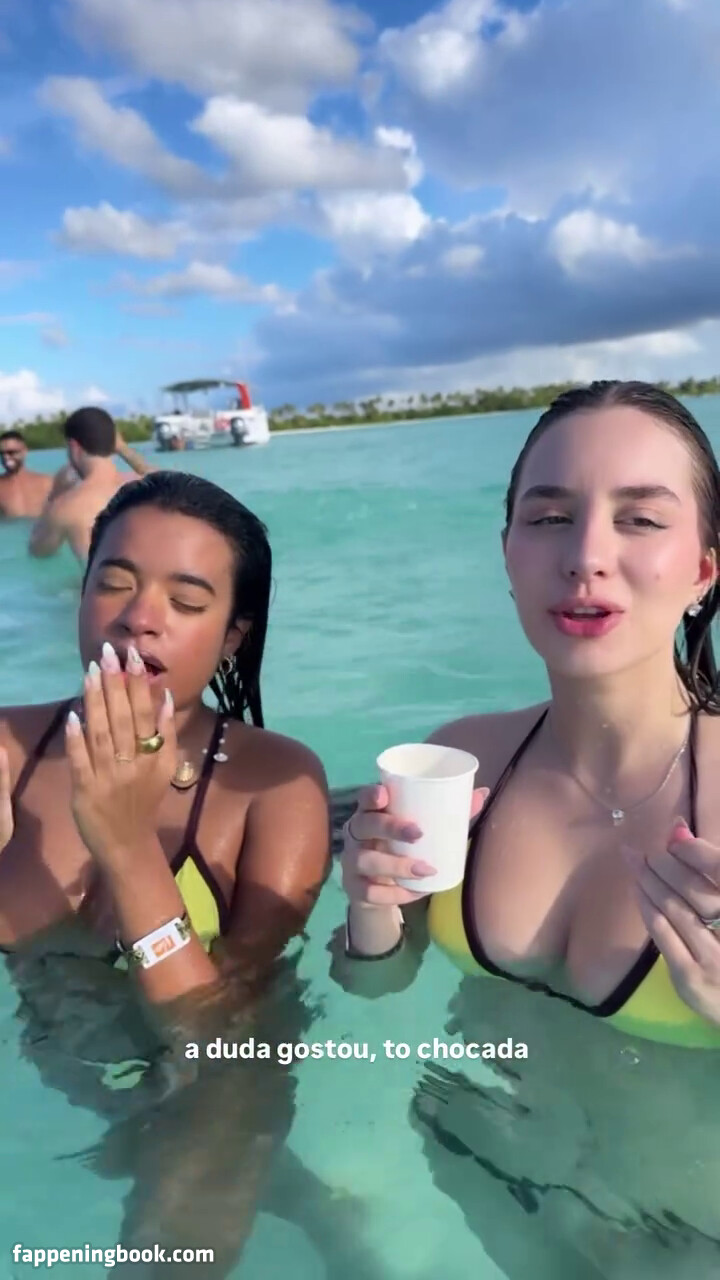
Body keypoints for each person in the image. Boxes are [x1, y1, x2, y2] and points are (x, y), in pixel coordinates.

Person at [338, 380, 720, 1276]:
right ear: (507, 552)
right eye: (548, 518)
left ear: (705, 569)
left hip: (686, 1237)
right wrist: (370, 910)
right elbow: (373, 987)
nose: (585, 557)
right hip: (488, 1176)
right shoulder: (460, 761)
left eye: (640, 519)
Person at [0, 470, 331, 1270]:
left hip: (212, 1082)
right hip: (54, 1079)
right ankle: (314, 1205)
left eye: (185, 601)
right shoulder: (8, 751)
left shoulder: (275, 786)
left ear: (232, 637)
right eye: (113, 583)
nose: (138, 617)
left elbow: (217, 1029)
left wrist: (124, 844)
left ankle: (316, 1210)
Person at [28, 406, 154, 562]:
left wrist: (55, 494)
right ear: (114, 443)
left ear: (74, 447)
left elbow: (37, 551)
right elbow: (165, 476)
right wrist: (123, 448)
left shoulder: (68, 507)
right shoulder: (148, 487)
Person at [0, 429, 55, 517]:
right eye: (2, 453)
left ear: (24, 451)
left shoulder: (46, 482)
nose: (6, 457)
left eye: (11, 452)